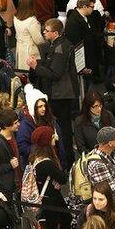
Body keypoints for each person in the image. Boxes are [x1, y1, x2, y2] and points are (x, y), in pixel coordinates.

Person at [26, 18, 78, 169]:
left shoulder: (60, 49)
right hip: (61, 93)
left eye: (46, 31)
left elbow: (55, 73)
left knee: (63, 128)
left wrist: (36, 66)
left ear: (55, 33)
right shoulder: (60, 44)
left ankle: (66, 160)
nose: (43, 32)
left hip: (60, 95)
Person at [30, 126, 72, 229]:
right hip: (52, 198)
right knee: (56, 223)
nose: (56, 138)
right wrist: (59, 178)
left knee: (56, 222)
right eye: (53, 136)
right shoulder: (47, 163)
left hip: (48, 197)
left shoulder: (36, 157)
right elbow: (63, 178)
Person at [16, 84, 66, 168]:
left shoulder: (51, 120)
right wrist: (42, 150)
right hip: (38, 166)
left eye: (44, 105)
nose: (43, 109)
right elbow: (22, 147)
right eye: (39, 106)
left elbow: (60, 143)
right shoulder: (25, 124)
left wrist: (63, 163)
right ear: (33, 107)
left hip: (54, 161)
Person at [65, 0, 101, 78]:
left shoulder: (87, 16)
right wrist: (82, 66)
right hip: (84, 59)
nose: (93, 9)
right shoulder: (73, 22)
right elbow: (76, 46)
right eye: (92, 7)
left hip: (90, 54)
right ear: (84, 6)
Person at [87, 127, 115, 204]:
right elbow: (110, 191)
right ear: (110, 143)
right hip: (111, 203)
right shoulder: (98, 164)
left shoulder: (108, 153)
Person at [14, 0, 44, 70]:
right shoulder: (32, 21)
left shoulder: (16, 17)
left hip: (20, 48)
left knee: (22, 70)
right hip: (30, 51)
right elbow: (38, 40)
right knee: (32, 72)